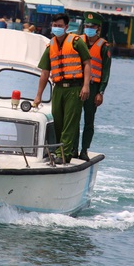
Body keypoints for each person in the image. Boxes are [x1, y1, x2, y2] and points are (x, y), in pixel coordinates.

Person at [34, 13, 91, 164]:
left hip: (74, 88)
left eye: (60, 26)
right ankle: (62, 149)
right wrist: (38, 95)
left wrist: (86, 86)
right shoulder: (50, 46)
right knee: (57, 121)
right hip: (58, 88)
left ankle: (63, 154)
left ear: (66, 27)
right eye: (55, 25)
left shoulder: (76, 42)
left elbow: (87, 64)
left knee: (69, 122)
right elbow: (45, 72)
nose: (57, 28)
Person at [75, 11, 111, 161]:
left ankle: (84, 150)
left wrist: (100, 92)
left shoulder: (104, 46)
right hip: (77, 85)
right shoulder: (78, 41)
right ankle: (72, 149)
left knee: (89, 121)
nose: (88, 28)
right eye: (87, 25)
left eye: (92, 26)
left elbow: (106, 71)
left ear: (98, 28)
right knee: (74, 119)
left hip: (94, 87)